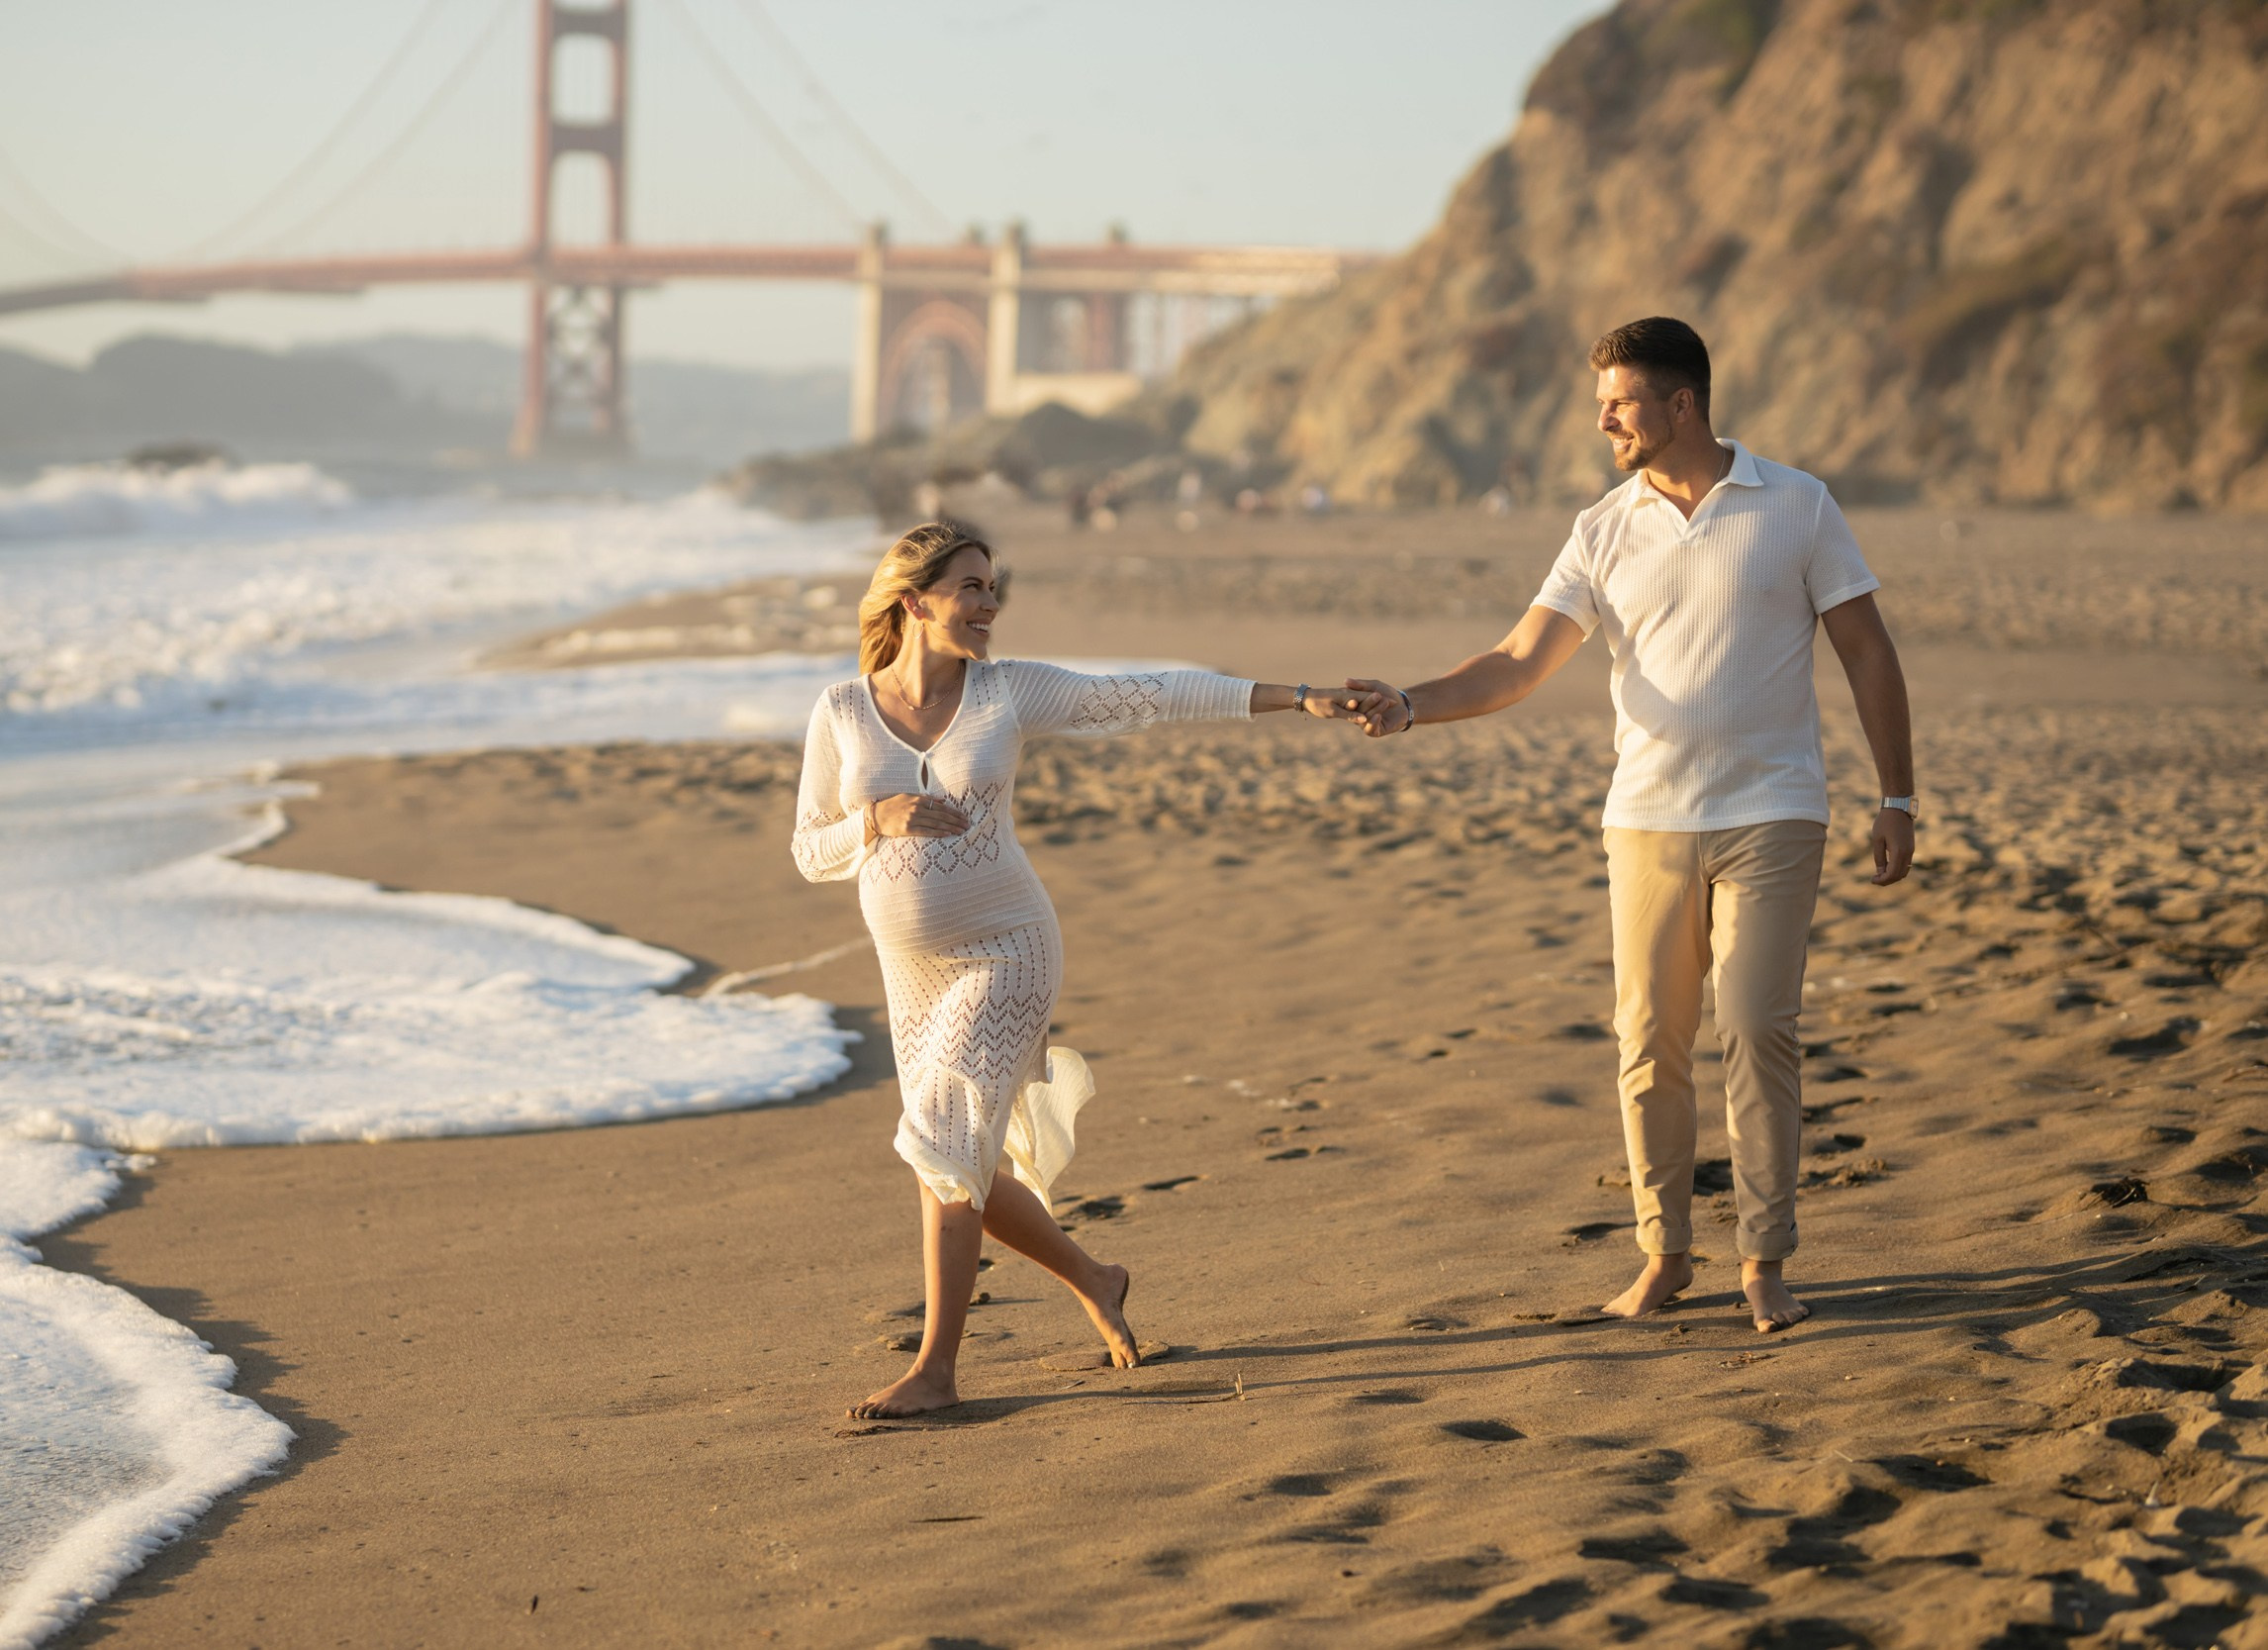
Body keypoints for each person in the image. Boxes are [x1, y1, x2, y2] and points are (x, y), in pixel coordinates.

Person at [1343, 317, 1917, 1333]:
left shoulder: (1796, 503)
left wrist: (1896, 795)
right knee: (1648, 1040)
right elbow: (1519, 659)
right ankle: (1665, 1253)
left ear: (1681, 403)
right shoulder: (1601, 527)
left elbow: (1866, 651)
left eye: (1619, 400)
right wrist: (1410, 701)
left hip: (1774, 811)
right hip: (1647, 818)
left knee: (1755, 1026)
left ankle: (1764, 1260)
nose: (1601, 416)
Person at [792, 520, 1369, 1417]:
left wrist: (1297, 697)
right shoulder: (839, 711)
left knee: (944, 1143)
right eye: (971, 589)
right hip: (912, 975)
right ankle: (1099, 1278)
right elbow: (809, 850)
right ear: (914, 601)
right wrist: (876, 820)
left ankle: (937, 1371)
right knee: (958, 1162)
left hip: (1009, 948)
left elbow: (1151, 693)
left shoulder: (1007, 693)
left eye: (993, 589)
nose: (989, 606)